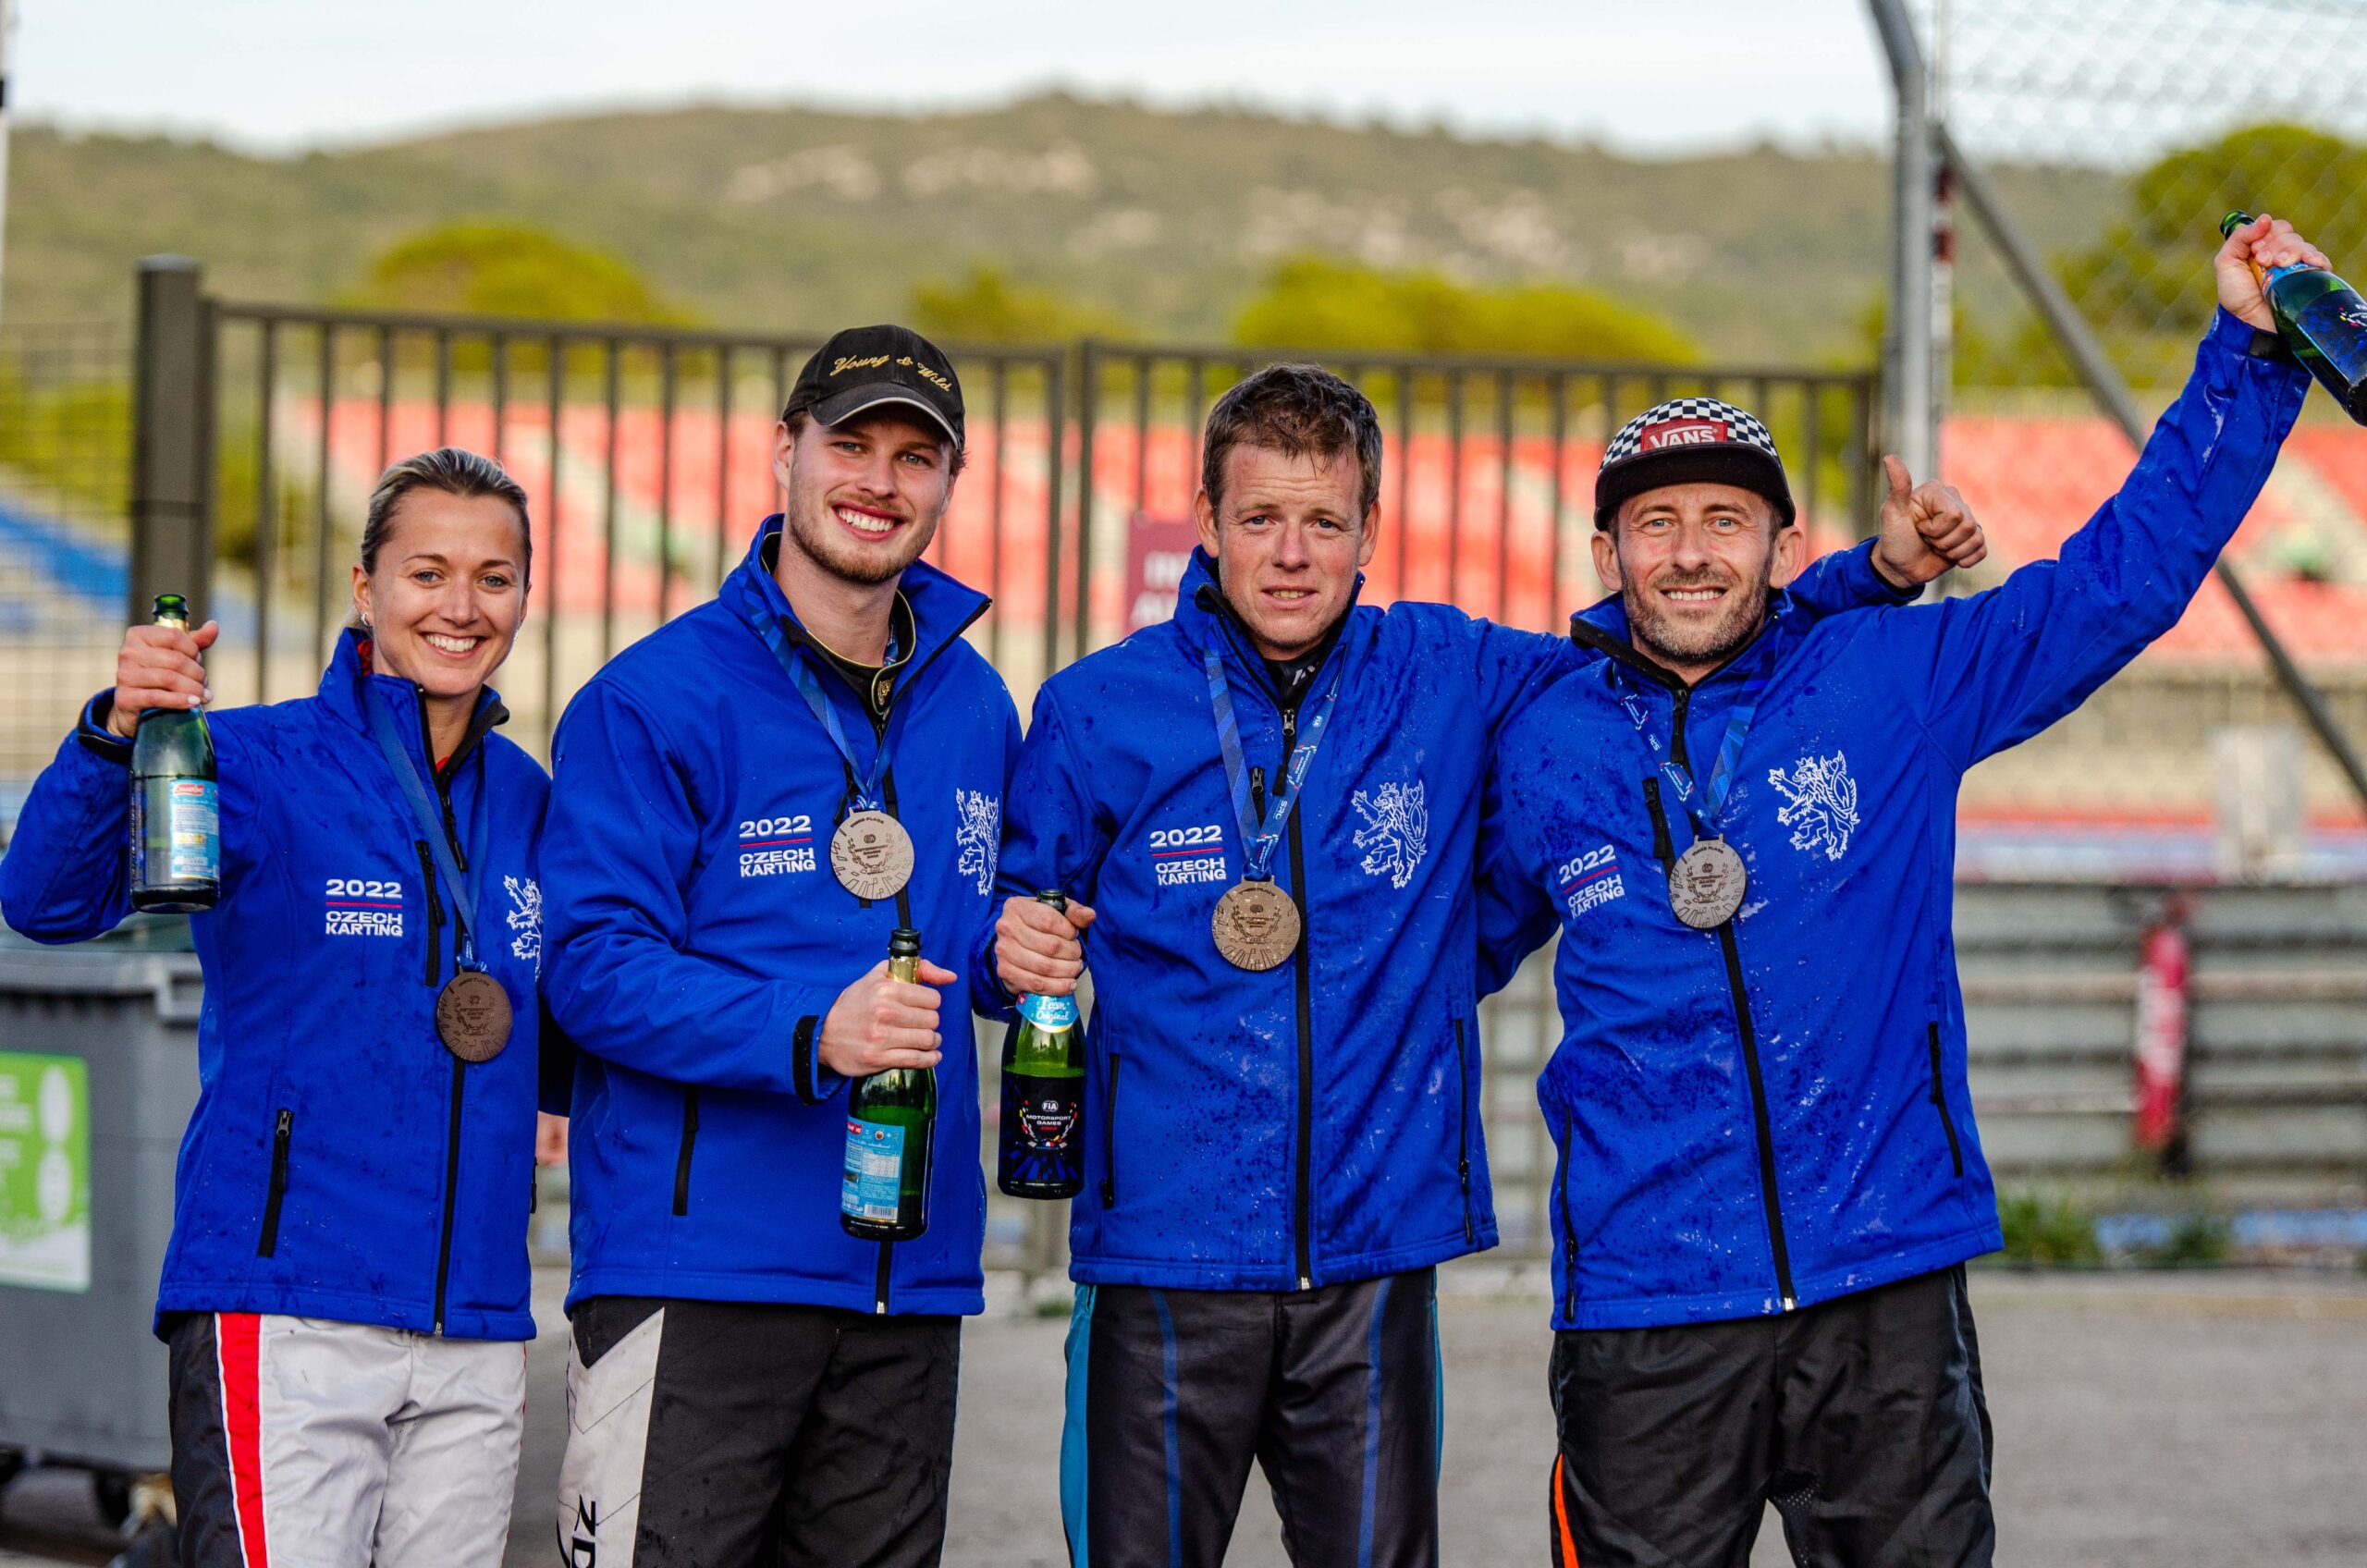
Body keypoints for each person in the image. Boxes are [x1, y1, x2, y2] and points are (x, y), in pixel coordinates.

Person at [989, 363, 1987, 1567]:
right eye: (1259, 518)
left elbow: (1670, 635)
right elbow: (1004, 931)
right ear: (1207, 522)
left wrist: (1863, 579)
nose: (1292, 555)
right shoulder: (1094, 709)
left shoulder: (1451, 670)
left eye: (1325, 522)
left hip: (1372, 1266)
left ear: (1371, 531)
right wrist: (1005, 949)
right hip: (1157, 1261)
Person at [1477, 214, 2322, 1568]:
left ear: (1780, 546)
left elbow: (2121, 582)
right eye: (1655, 524)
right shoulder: (1542, 742)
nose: (1690, 553)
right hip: (1646, 1303)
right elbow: (1425, 951)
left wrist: (2249, 351)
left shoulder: (1894, 680)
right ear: (1604, 556)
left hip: (1882, 1275)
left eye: (1725, 521)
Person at [0, 448, 566, 1567]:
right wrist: (115, 729)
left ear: (524, 595)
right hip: (287, 1310)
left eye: (493, 577)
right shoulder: (252, 761)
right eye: (427, 573)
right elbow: (46, 900)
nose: (461, 607)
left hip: (476, 1322)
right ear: (365, 587)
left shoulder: (531, 798)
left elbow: (561, 1012)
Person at [539, 325, 1019, 1567]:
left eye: (915, 456)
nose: (880, 481)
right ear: (783, 452)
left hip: (905, 1278)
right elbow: (589, 963)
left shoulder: (976, 703)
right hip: (699, 1276)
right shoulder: (651, 697)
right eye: (850, 444)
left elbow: (967, 938)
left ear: (950, 483)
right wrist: (812, 1028)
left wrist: (1018, 953)